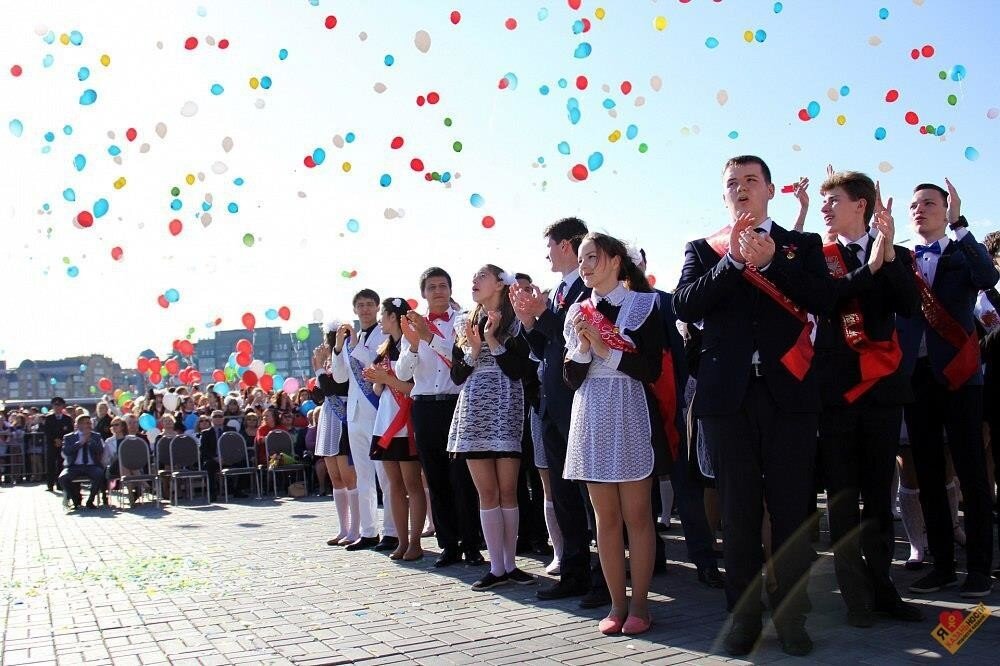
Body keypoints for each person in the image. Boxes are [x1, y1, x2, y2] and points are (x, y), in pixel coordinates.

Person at [673, 155, 848, 656]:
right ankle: (744, 614)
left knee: (793, 510)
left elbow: (824, 300)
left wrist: (772, 263)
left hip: (789, 394)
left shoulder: (802, 245)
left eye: (752, 180)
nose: (742, 188)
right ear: (723, 195)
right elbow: (685, 304)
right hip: (728, 398)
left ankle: (793, 615)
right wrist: (734, 263)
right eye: (733, 183)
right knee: (739, 511)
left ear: (771, 190)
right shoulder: (704, 250)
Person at [812, 171, 923, 625]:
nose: (826, 208)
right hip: (837, 393)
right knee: (842, 497)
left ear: (862, 205)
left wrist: (889, 255)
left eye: (834, 199)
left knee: (879, 497)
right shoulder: (817, 258)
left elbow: (909, 306)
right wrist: (869, 269)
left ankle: (883, 588)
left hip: (880, 393)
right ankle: (854, 595)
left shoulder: (896, 254)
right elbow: (824, 301)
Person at [896, 180, 999, 598]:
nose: (921, 210)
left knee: (972, 474)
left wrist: (961, 225)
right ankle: (941, 565)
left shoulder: (961, 252)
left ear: (947, 208)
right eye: (914, 204)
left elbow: (988, 274)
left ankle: (978, 569)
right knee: (929, 476)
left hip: (960, 376)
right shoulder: (901, 258)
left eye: (930, 203)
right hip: (917, 377)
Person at [563, 233, 665, 636]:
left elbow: (651, 369)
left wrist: (605, 350)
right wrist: (585, 347)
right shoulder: (578, 310)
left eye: (593, 257)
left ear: (616, 261)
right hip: (590, 410)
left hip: (629, 406)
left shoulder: (645, 304)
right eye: (582, 258)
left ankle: (640, 604)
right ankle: (616, 604)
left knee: (637, 515)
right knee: (605, 519)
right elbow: (570, 376)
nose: (585, 265)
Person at [512, 217, 607, 607]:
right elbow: (547, 344)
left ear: (566, 244)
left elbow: (577, 334)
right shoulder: (555, 292)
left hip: (581, 400)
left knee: (592, 496)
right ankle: (574, 572)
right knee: (565, 493)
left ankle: (605, 579)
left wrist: (543, 318)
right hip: (552, 403)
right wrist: (529, 321)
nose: (547, 254)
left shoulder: (590, 286)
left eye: (550, 245)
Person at [638, 248, 724, 589]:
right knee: (639, 492)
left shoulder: (664, 302)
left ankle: (704, 560)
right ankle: (652, 556)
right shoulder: (606, 307)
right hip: (630, 411)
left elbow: (682, 353)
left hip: (669, 406)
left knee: (686, 490)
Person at [448, 265, 534, 590]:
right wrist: (472, 350)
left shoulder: (516, 322)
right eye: (473, 277)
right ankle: (496, 567)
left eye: (481, 276)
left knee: (509, 490)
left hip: (507, 405)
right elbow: (457, 376)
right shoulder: (463, 322)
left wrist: (491, 339)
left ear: (500, 283)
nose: (474, 280)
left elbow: (519, 370)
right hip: (473, 410)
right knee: (486, 492)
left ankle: (510, 564)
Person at [397, 268, 484, 567]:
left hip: (456, 403)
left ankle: (472, 544)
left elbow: (460, 360)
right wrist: (412, 344)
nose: (438, 291)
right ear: (423, 292)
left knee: (463, 478)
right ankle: (448, 545)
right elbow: (401, 374)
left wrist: (429, 337)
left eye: (443, 285)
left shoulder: (463, 321)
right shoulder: (411, 324)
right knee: (435, 479)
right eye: (432, 287)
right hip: (424, 406)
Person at [331, 288, 398, 552]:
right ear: (355, 309)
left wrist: (355, 346)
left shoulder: (385, 335)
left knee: (385, 474)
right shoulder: (350, 339)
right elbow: (339, 378)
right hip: (356, 414)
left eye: (370, 304)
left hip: (378, 410)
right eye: (361, 305)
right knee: (363, 475)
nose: (366, 309)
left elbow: (374, 366)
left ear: (377, 307)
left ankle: (392, 532)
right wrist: (338, 348)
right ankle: (369, 531)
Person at [364, 298, 425, 561]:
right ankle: (401, 541)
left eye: (382, 314)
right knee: (393, 485)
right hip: (386, 421)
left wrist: (386, 379)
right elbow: (379, 389)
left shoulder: (413, 346)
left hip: (407, 421)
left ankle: (415, 542)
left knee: (413, 484)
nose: (379, 319)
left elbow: (415, 387)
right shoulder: (384, 349)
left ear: (392, 317)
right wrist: (378, 380)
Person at [314, 324, 359, 546]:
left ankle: (356, 528)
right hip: (328, 417)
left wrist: (320, 371)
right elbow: (317, 394)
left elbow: (333, 387)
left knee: (349, 476)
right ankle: (343, 528)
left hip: (344, 415)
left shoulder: (348, 358)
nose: (331, 342)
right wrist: (319, 368)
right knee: (335, 477)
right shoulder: (327, 362)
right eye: (330, 337)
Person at [58, 414, 106, 510]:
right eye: (86, 423)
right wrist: (80, 443)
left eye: (90, 423)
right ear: (79, 425)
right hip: (74, 466)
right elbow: (67, 451)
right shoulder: (69, 437)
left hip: (91, 466)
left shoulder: (96, 436)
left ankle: (90, 501)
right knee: (62, 478)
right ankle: (75, 500)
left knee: (100, 474)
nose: (89, 425)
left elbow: (100, 450)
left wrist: (89, 441)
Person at [43, 397, 76, 492]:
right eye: (55, 405)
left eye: (59, 405)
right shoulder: (49, 418)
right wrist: (55, 440)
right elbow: (47, 431)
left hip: (63, 445)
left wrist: (62, 440)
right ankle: (50, 485)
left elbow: (70, 431)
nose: (57, 407)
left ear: (62, 406)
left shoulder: (67, 419)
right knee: (50, 465)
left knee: (61, 464)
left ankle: (60, 484)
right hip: (51, 445)